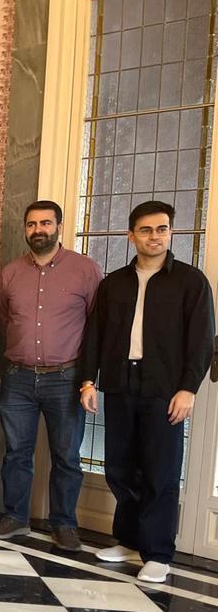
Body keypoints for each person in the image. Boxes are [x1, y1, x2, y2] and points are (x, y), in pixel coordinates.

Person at [79, 201, 215, 583]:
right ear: (131, 235)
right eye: (146, 230)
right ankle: (128, 540)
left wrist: (188, 389)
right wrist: (88, 381)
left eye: (161, 229)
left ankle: (157, 553)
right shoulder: (113, 284)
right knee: (120, 467)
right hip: (120, 384)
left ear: (170, 232)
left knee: (160, 471)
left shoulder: (190, 281)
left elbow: (202, 341)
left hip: (164, 388)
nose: (154, 236)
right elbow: (95, 335)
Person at [0, 201, 101, 552]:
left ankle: (64, 524)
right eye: (32, 224)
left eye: (46, 223)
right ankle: (15, 517)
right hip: (18, 377)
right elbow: (5, 318)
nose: (38, 230)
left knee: (66, 456)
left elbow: (97, 326)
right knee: (16, 453)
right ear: (25, 228)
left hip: (66, 378)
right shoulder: (10, 273)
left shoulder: (85, 269)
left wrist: (89, 379)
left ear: (59, 226)